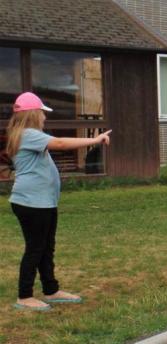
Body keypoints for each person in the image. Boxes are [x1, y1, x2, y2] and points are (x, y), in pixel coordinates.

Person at [7, 92, 111, 311]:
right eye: (42, 113)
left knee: (46, 248)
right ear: (33, 114)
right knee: (36, 249)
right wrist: (96, 139)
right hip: (32, 203)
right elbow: (61, 143)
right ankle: (24, 296)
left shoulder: (28, 135)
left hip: (42, 202)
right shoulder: (28, 135)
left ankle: (51, 290)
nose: (45, 117)